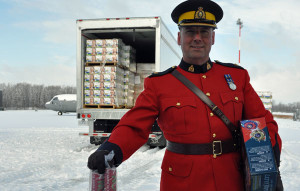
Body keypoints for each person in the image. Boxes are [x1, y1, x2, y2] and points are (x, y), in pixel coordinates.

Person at [87, 0, 283, 190]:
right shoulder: (159, 84)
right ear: (180, 38)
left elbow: (262, 121)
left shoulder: (237, 77)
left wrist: (269, 153)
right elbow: (134, 125)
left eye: (204, 32)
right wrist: (111, 148)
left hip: (230, 178)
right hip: (181, 182)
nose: (197, 38)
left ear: (212, 38)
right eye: (190, 32)